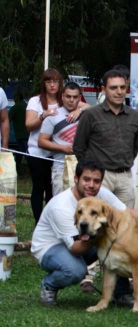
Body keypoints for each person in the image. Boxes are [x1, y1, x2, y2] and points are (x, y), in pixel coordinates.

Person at [31, 158, 138, 306]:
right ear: (76, 179)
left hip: (84, 240)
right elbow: (75, 249)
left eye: (96, 181)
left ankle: (120, 294)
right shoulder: (61, 206)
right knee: (75, 270)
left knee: (119, 241)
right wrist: (101, 234)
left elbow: (127, 211)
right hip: (50, 248)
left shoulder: (102, 195)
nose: (91, 185)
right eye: (86, 179)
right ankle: (49, 284)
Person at [73, 69, 138, 208]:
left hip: (125, 177)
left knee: (125, 222)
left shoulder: (134, 116)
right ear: (104, 90)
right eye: (113, 87)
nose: (119, 91)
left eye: (122, 87)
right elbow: (79, 147)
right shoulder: (91, 114)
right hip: (100, 177)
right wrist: (92, 171)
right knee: (97, 220)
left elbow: (135, 146)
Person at [25, 69, 66, 224]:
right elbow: (28, 125)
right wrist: (43, 115)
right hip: (36, 151)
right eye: (49, 81)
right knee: (38, 188)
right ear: (44, 84)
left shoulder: (65, 100)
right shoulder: (35, 101)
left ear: (60, 83)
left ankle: (49, 223)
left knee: (52, 189)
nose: (52, 84)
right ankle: (38, 222)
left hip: (56, 153)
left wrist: (76, 111)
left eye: (55, 81)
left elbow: (87, 107)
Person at [39, 82, 90, 196]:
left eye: (75, 97)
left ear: (79, 98)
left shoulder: (86, 115)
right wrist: (63, 148)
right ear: (62, 96)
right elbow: (41, 141)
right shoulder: (53, 116)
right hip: (60, 167)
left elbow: (96, 108)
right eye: (68, 96)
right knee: (60, 205)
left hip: (84, 167)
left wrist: (80, 110)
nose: (71, 100)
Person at [8, 92, 28, 173]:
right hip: (29, 134)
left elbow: (7, 120)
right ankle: (17, 167)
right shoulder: (27, 106)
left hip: (20, 135)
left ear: (16, 98)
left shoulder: (15, 108)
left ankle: (33, 169)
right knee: (19, 152)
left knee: (26, 153)